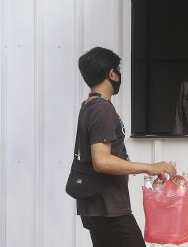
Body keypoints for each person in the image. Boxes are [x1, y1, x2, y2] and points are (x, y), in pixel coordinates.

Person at [75, 47, 177, 247]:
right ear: (112, 73)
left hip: (95, 207)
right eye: (118, 70)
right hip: (109, 208)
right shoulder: (101, 110)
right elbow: (101, 161)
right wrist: (150, 167)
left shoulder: (89, 106)